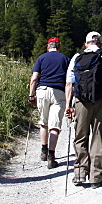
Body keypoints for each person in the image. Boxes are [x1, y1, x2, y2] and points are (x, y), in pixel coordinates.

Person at [65, 31, 102, 187]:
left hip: (81, 101)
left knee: (80, 136)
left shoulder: (77, 57)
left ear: (86, 44)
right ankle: (96, 176)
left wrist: (69, 105)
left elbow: (69, 83)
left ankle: (80, 173)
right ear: (100, 43)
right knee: (99, 137)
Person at [28, 36, 70, 169]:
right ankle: (51, 156)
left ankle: (43, 150)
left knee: (43, 122)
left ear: (48, 46)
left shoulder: (41, 58)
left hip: (42, 90)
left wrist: (31, 95)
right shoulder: (65, 59)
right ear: (59, 46)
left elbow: (34, 78)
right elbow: (69, 80)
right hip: (59, 92)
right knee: (55, 126)